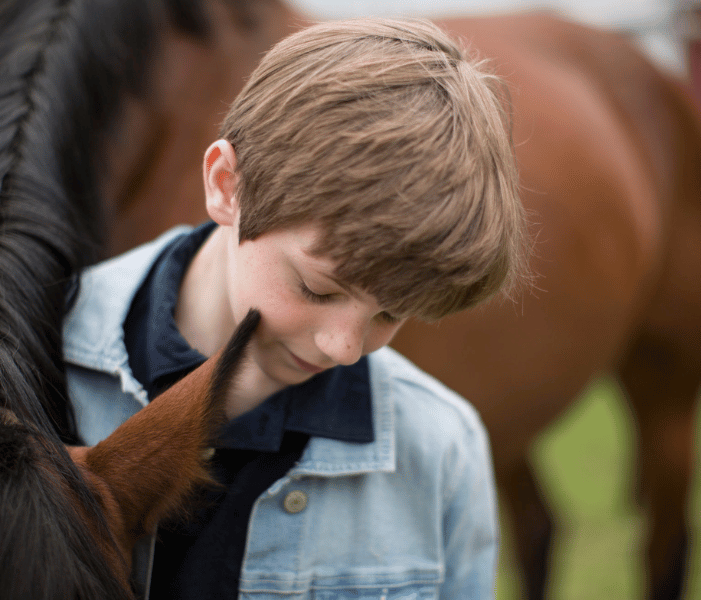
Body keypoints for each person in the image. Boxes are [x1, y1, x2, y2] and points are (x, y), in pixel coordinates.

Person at [63, 17, 527, 600]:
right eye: (318, 289)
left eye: (390, 313)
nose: (344, 348)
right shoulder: (29, 364)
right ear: (228, 184)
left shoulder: (441, 448)